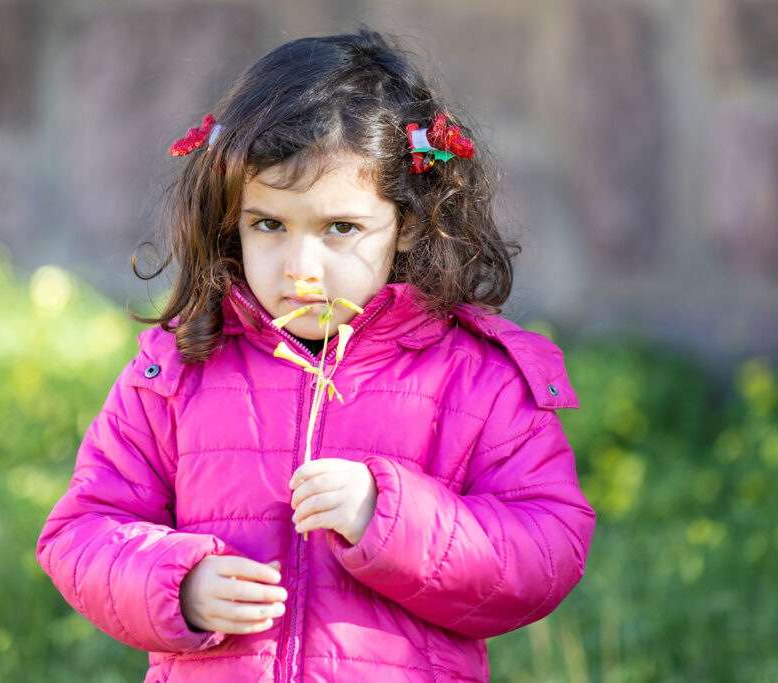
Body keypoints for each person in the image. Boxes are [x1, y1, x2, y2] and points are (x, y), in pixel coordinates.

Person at [37, 27, 595, 683]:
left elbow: (547, 547)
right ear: (232, 217)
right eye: (269, 224)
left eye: (340, 228)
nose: (301, 266)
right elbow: (81, 530)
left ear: (407, 220)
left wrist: (388, 516)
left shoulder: (476, 379)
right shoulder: (179, 368)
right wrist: (177, 583)